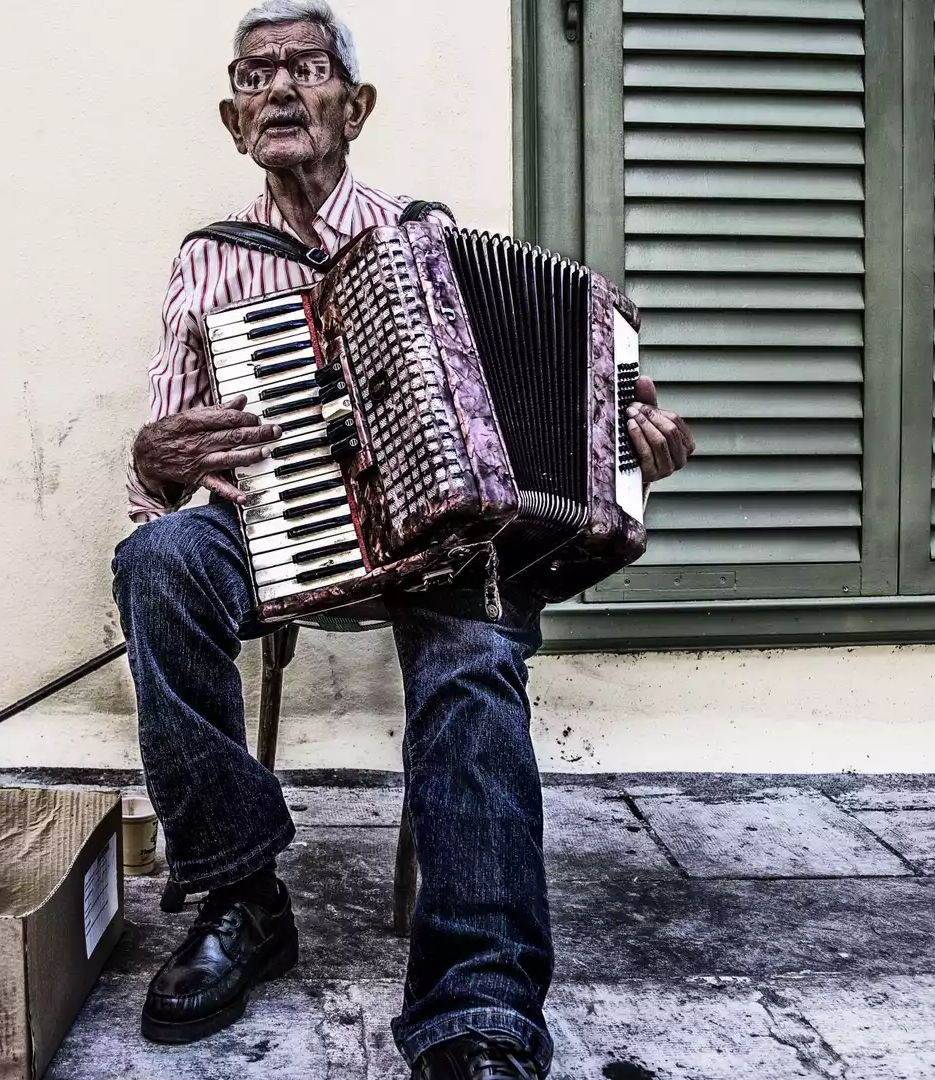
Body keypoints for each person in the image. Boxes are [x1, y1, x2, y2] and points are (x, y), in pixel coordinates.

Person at [113, 2, 694, 1076]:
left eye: (307, 67)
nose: (278, 89)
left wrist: (626, 449)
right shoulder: (207, 261)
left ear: (356, 105)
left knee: (472, 654)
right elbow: (168, 470)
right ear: (234, 120)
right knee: (156, 564)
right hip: (277, 531)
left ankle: (477, 1006)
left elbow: (530, 413)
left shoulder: (422, 238)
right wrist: (153, 461)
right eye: (254, 76)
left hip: (438, 541)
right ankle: (241, 893)